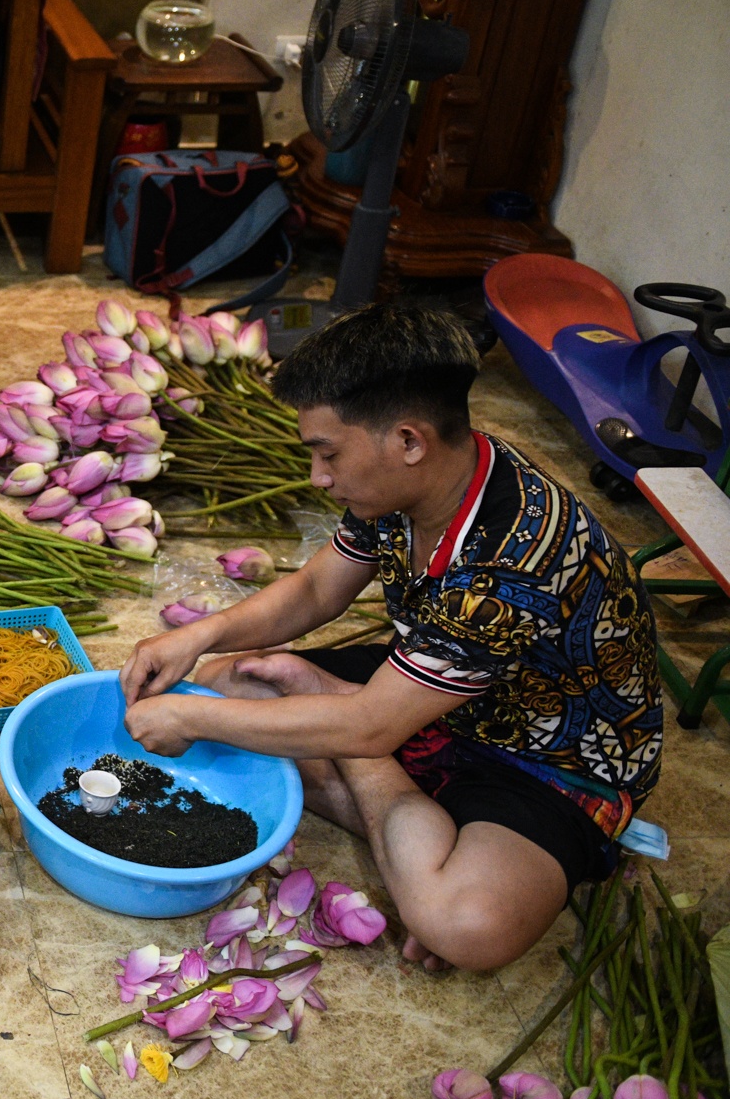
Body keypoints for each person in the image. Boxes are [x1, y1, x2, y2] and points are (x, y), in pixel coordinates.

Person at [118, 305, 662, 973]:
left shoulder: (509, 564)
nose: (319, 476)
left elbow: (373, 722)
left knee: (465, 927)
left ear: (408, 440)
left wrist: (205, 716)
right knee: (229, 680)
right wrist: (200, 637)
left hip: (549, 758)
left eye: (328, 453)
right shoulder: (420, 484)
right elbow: (319, 591)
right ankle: (411, 817)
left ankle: (370, 760)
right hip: (440, 686)